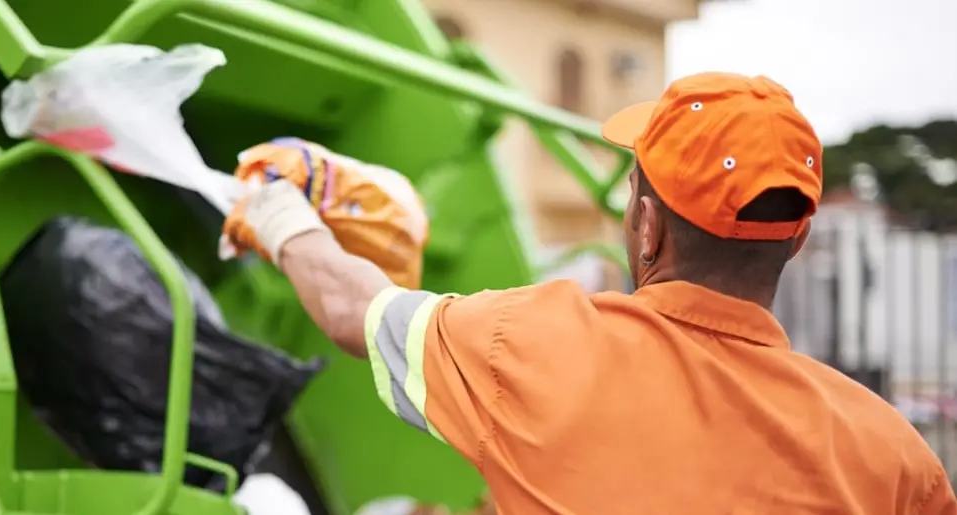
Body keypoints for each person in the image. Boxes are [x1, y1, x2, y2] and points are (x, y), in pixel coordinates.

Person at [222, 72, 957, 514]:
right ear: (796, 239)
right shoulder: (894, 457)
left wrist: (282, 215)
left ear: (645, 228)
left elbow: (356, 310)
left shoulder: (532, 346)